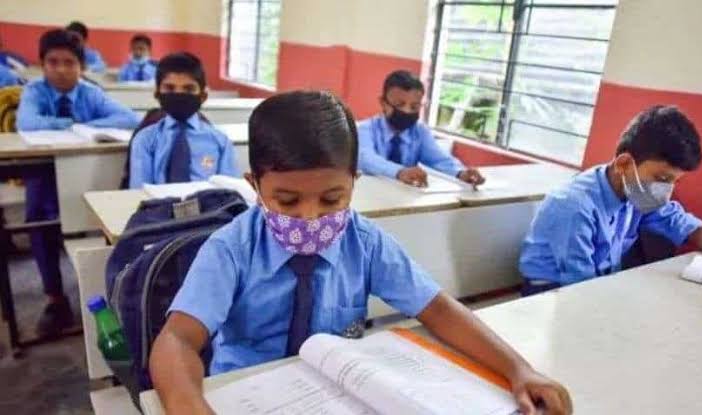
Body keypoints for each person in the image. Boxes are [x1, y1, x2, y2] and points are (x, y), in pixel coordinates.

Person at [150, 90, 572, 415]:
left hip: (338, 393)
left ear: (354, 181)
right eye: (288, 201)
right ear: (255, 185)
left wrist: (518, 369)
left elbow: (438, 309)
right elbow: (178, 339)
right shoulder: (231, 249)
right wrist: (189, 406)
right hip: (245, 394)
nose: (311, 217)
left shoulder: (364, 241)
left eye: (332, 199)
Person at [518, 105, 702, 295]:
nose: (667, 191)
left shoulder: (638, 195)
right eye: (662, 178)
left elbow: (694, 230)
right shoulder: (574, 206)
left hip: (597, 284)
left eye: (675, 182)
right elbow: (579, 287)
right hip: (550, 291)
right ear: (623, 164)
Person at [15, 29, 139, 336]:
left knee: (96, 223)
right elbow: (27, 123)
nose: (61, 69)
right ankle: (55, 297)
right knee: (39, 224)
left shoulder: (90, 92)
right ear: (42, 64)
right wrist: (73, 124)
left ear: (81, 66)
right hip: (43, 172)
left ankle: (103, 289)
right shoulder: (34, 91)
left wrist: (82, 126)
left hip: (84, 174)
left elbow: (129, 118)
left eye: (69, 62)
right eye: (53, 62)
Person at [128, 52, 238, 188]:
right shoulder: (145, 140)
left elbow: (229, 193)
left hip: (209, 202)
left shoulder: (221, 142)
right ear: (157, 94)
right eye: (169, 88)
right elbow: (139, 192)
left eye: (189, 89)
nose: (179, 94)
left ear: (203, 96)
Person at [358, 70, 484, 187]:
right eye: (399, 105)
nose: (407, 111)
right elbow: (365, 159)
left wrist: (461, 173)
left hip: (404, 195)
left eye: (414, 107)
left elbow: (439, 159)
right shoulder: (365, 129)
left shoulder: (419, 132)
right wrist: (400, 172)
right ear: (383, 103)